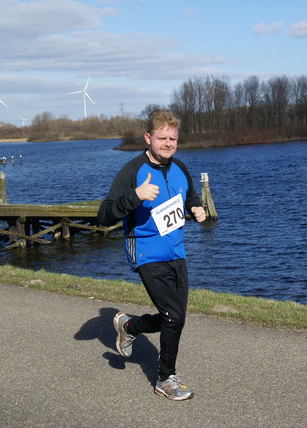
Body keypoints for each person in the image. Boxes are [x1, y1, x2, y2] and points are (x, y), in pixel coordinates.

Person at [97, 109, 206, 401]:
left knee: (176, 317)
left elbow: (190, 196)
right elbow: (104, 216)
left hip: (176, 252)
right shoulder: (132, 171)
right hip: (145, 251)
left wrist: (196, 208)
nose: (168, 143)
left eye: (173, 138)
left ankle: (130, 326)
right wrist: (136, 196)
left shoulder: (180, 167)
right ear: (148, 138)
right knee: (172, 315)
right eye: (162, 138)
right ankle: (165, 379)